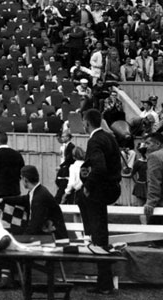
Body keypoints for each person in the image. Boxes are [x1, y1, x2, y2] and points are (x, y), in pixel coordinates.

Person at [79, 108, 122, 295]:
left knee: (98, 236)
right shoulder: (109, 138)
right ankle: (105, 282)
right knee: (101, 235)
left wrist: (87, 184)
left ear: (87, 123)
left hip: (100, 191)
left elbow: (99, 167)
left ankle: (104, 283)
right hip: (111, 188)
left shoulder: (94, 140)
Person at [0, 165, 68, 239]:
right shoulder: (38, 191)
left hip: (54, 239)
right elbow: (24, 199)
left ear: (25, 179)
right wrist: (3, 199)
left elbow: (35, 225)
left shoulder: (39, 197)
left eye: (21, 178)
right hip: (49, 235)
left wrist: (23, 239)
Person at [0, 131, 25, 200]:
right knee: (11, 210)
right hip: (13, 191)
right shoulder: (17, 155)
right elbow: (22, 171)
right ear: (6, 140)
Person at [143, 132, 163, 225]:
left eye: (148, 143)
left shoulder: (154, 156)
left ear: (158, 144)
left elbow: (154, 182)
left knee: (154, 235)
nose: (146, 146)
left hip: (160, 206)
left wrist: (150, 203)